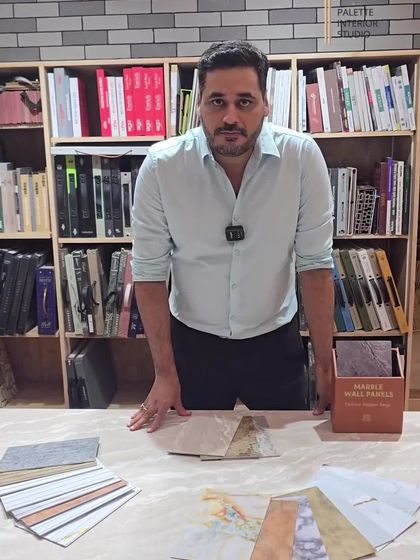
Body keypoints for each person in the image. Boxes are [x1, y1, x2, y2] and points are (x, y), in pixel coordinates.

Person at [127, 40, 334, 433]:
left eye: (245, 101)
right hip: (194, 344)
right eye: (217, 101)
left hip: (275, 342)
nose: (230, 117)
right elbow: (149, 274)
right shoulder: (162, 166)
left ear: (266, 104)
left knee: (289, 458)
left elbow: (315, 265)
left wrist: (326, 367)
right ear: (199, 105)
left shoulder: (301, 158)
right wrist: (164, 373)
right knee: (190, 455)